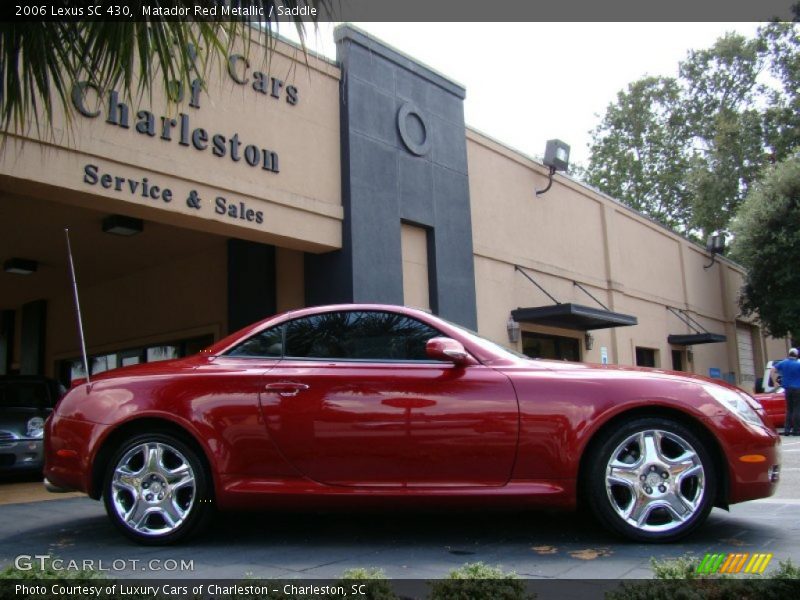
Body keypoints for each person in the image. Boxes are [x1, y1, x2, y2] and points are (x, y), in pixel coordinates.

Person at [771, 348, 800, 436]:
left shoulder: (783, 363)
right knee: (796, 409)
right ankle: (796, 430)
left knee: (789, 409)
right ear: (796, 355)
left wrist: (774, 382)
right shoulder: (798, 364)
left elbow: (772, 370)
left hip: (787, 389)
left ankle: (787, 429)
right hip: (797, 389)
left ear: (789, 354)